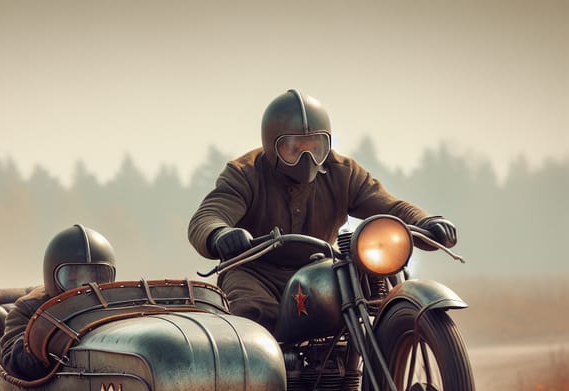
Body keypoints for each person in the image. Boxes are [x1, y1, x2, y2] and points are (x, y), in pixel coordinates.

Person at [188, 89, 457, 332]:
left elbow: (389, 206)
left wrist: (425, 221)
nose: (307, 158)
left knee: (365, 302)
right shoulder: (245, 173)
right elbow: (208, 216)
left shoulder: (343, 172)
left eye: (315, 147)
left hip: (319, 270)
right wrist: (220, 234)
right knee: (251, 322)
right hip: (255, 273)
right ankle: (260, 383)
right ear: (273, 146)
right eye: (293, 148)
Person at [0, 224, 116, 379]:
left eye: (97, 276)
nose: (87, 286)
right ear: (52, 275)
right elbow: (16, 366)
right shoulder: (27, 310)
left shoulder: (115, 306)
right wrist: (50, 332)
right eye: (72, 276)